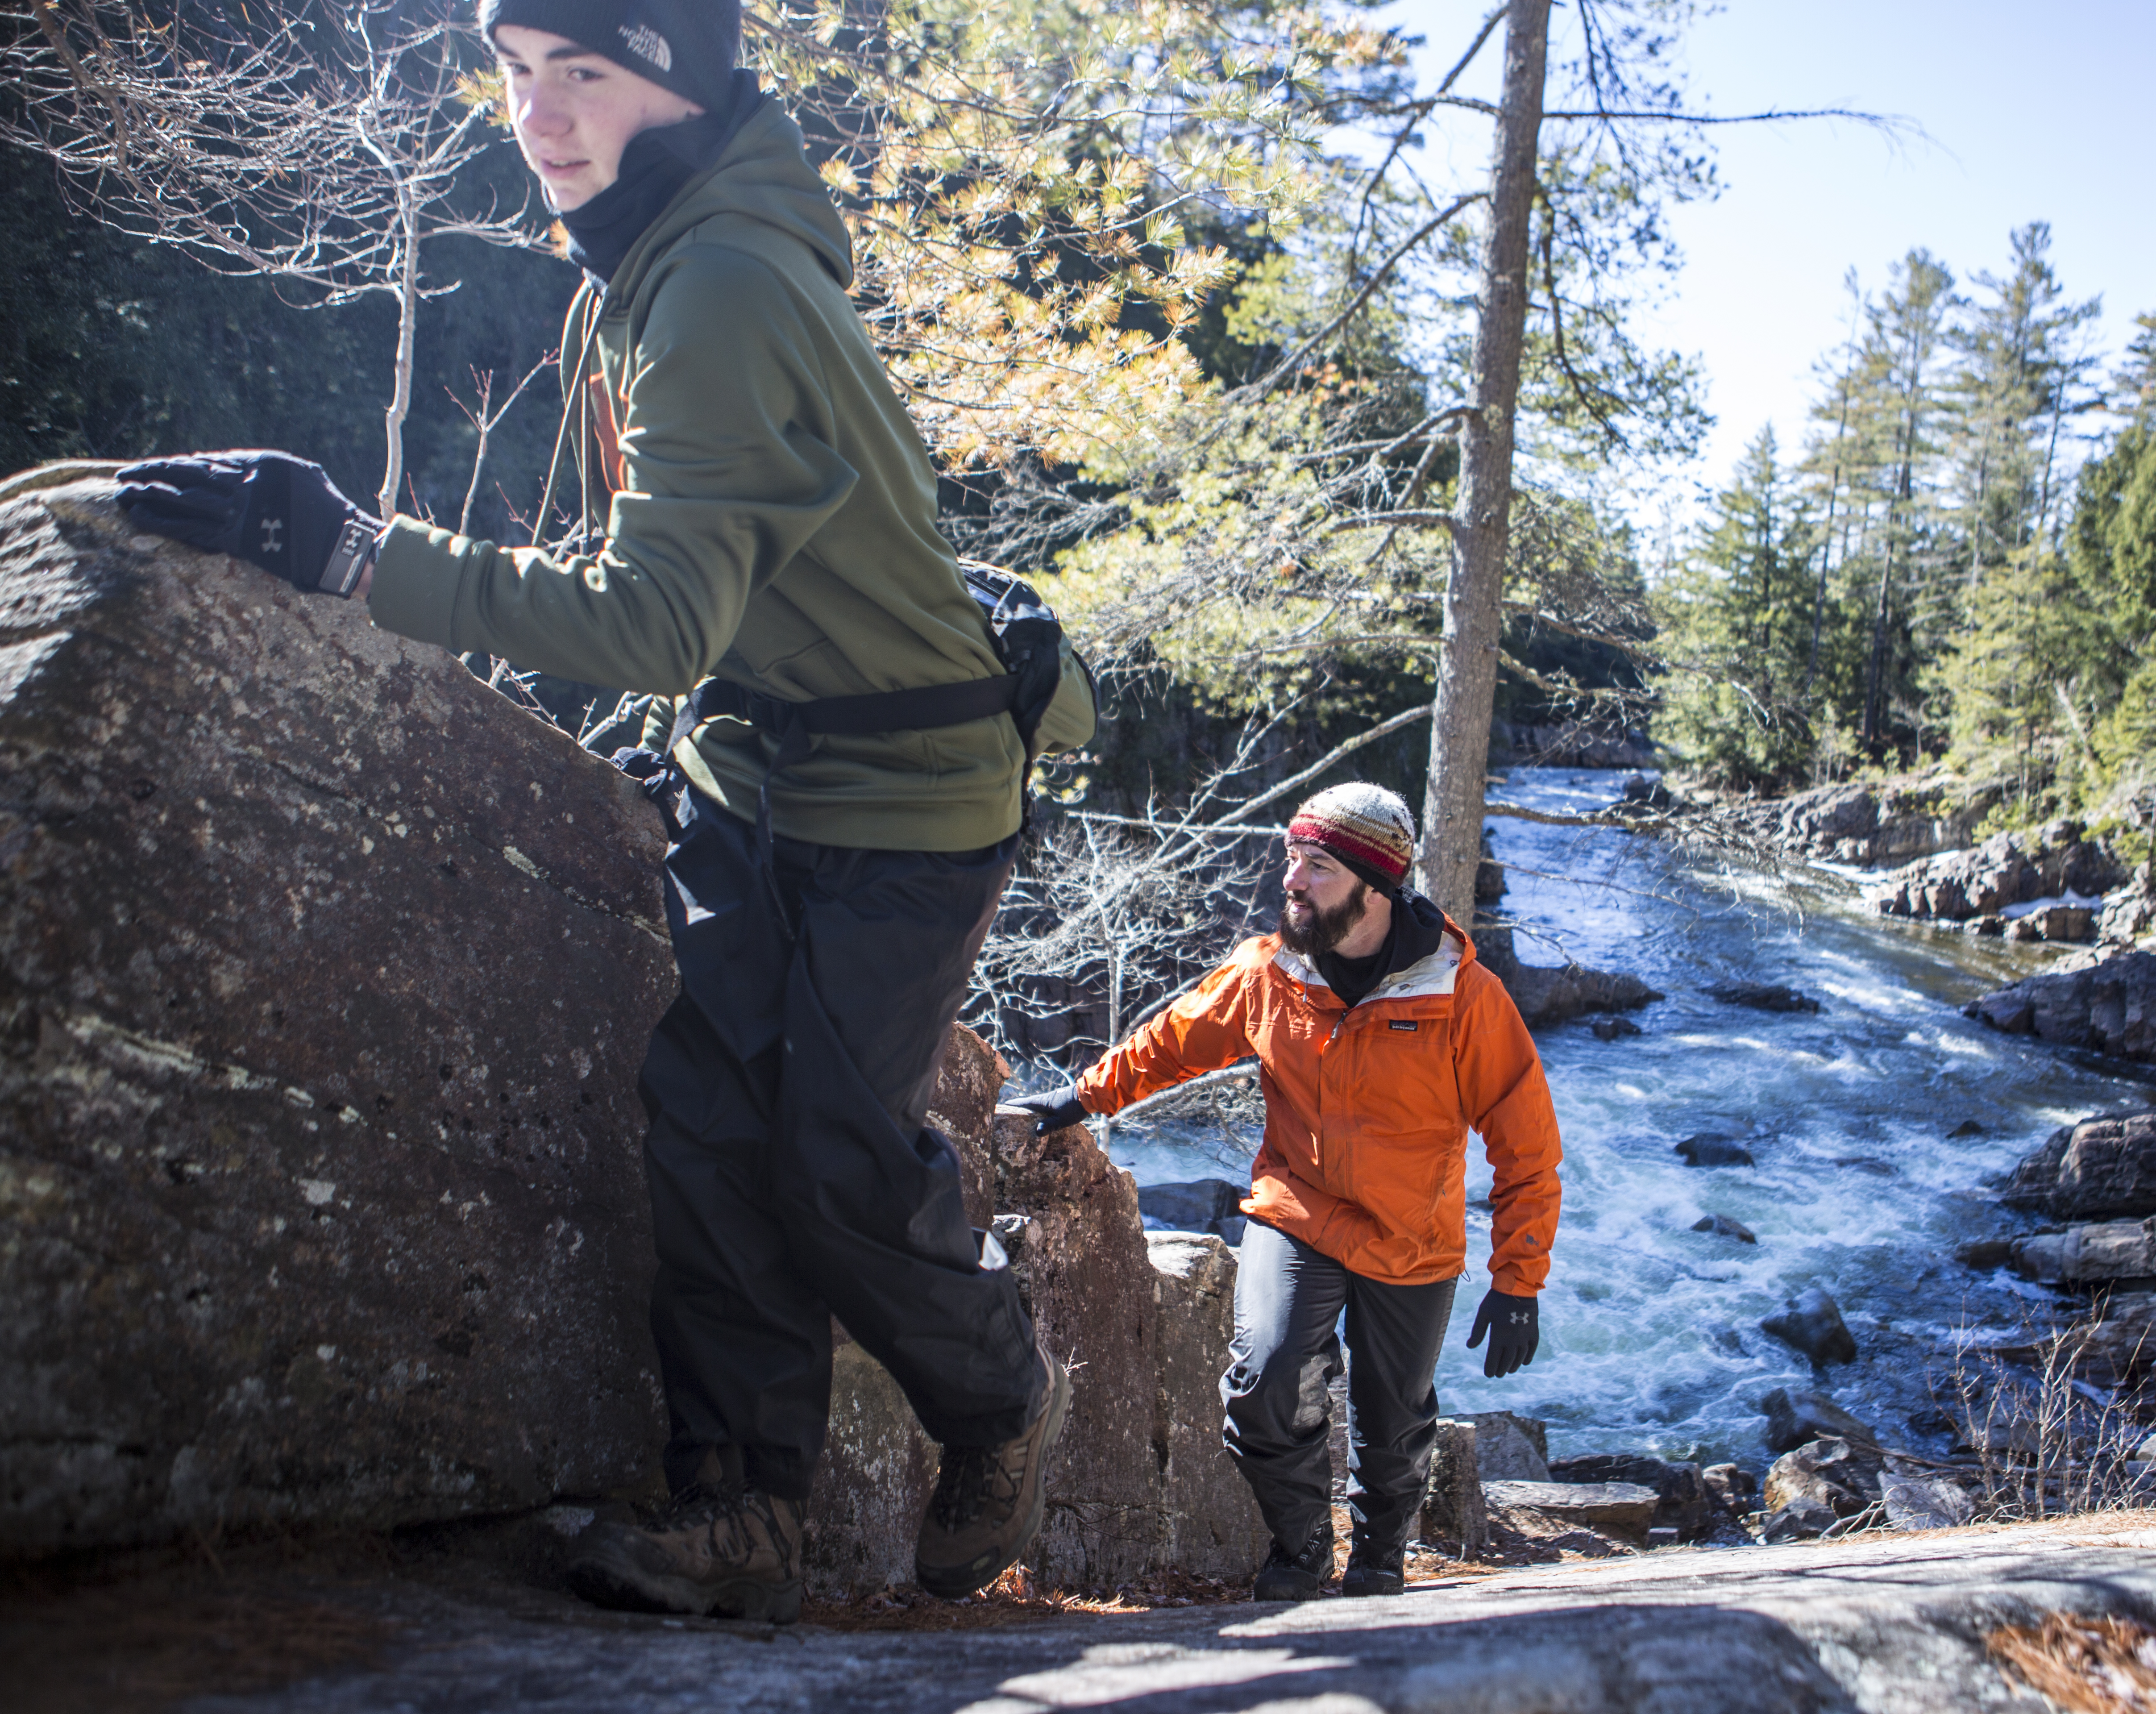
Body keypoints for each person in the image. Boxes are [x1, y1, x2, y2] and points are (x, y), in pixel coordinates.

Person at [112, 0, 1093, 1625]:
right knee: (707, 1120)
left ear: (681, 88)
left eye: (587, 73)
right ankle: (744, 1513)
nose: (540, 115)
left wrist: (358, 552)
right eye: (516, 73)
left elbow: (653, 617)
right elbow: (710, 586)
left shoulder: (711, 283)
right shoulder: (650, 257)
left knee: (834, 1149)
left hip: (911, 791)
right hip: (755, 763)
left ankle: (1001, 1401)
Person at [1004, 782, 1561, 1600]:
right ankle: (1301, 1551)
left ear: (1376, 887)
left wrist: (1519, 1281)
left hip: (1412, 1234)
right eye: (1292, 859)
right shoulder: (1271, 971)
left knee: (1395, 1418)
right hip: (1296, 1210)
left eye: (1319, 866)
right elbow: (1174, 1041)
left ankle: (1378, 1557)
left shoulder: (1461, 996)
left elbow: (1526, 1145)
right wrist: (1081, 1097)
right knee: (1263, 1383)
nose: (1292, 881)